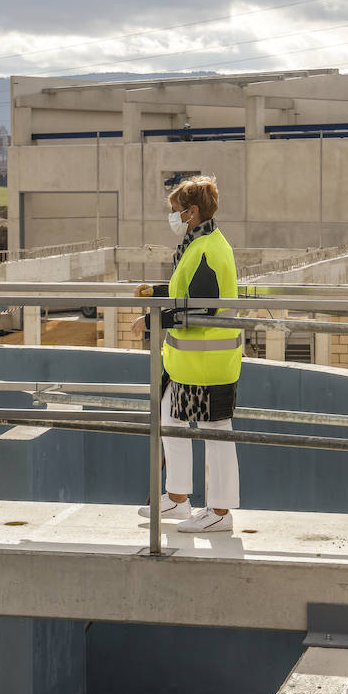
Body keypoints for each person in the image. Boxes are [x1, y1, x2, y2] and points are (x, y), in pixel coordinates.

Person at [131, 175, 242, 533]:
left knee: (215, 431)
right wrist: (157, 291)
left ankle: (220, 513)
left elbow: (202, 309)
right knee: (170, 420)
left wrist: (152, 321)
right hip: (188, 362)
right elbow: (188, 292)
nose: (173, 216)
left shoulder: (207, 250)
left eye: (176, 210)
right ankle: (178, 498)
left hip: (208, 361)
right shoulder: (199, 243)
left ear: (192, 212)